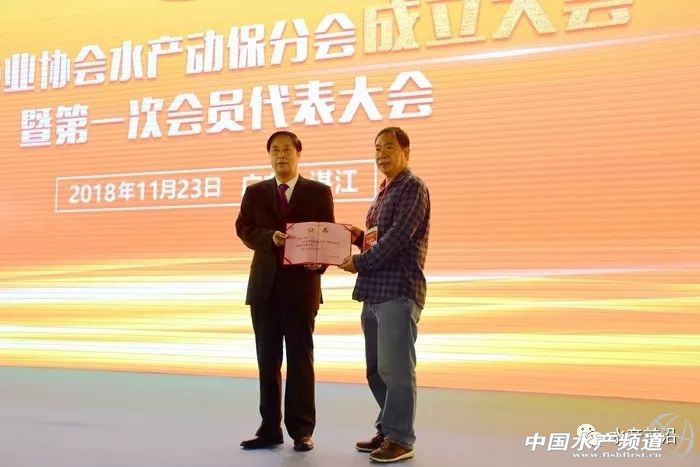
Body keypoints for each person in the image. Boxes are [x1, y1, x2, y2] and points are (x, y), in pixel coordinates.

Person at [236, 131, 334, 452]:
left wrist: (319, 264)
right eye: (275, 150)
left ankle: (302, 430)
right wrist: (270, 238)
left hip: (301, 289)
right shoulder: (255, 192)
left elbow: (328, 237)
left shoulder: (319, 192)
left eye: (287, 149)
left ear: (298, 153)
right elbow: (244, 229)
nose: (281, 155)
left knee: (300, 360)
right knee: (267, 361)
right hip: (264, 289)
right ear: (269, 156)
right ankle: (269, 429)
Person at [339, 126, 430, 463]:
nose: (382, 154)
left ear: (406, 151)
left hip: (398, 290)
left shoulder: (412, 186)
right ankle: (387, 428)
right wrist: (358, 237)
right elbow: (379, 238)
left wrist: (360, 261)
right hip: (373, 292)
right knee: (376, 370)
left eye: (389, 147)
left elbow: (399, 237)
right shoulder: (382, 192)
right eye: (377, 148)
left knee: (396, 369)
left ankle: (401, 438)